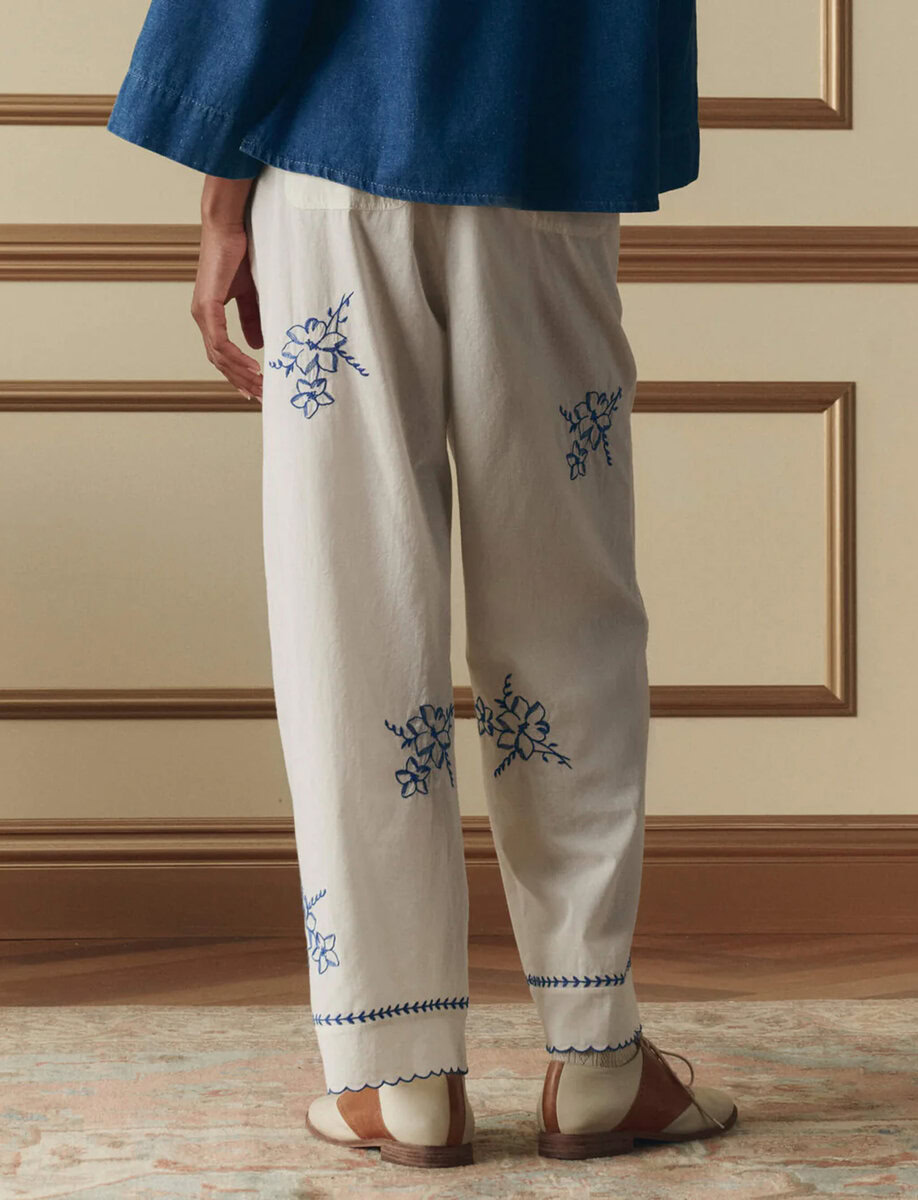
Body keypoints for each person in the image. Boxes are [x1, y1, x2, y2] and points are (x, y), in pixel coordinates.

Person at [107, 0, 737, 1170]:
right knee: (569, 609)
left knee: (348, 612)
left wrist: (220, 197)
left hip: (337, 143)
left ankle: (401, 1079)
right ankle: (598, 1056)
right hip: (550, 138)